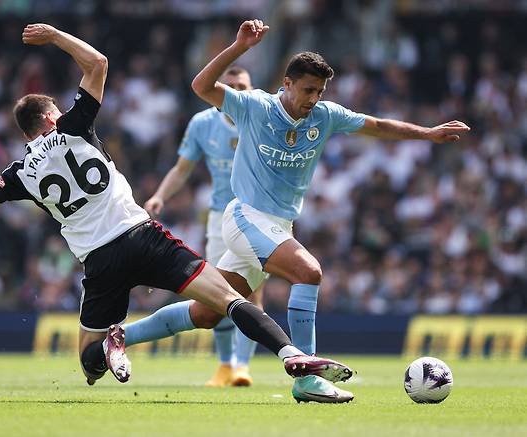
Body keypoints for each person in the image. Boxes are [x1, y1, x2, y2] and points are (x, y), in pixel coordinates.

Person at [0, 23, 353, 395]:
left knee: (88, 365)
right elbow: (97, 62)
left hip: (99, 261)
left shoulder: (20, 172)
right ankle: (291, 354)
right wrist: (54, 36)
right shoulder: (75, 125)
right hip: (145, 235)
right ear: (50, 117)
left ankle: (112, 340)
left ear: (26, 134)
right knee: (230, 300)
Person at [122, 19, 470, 403]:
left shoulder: (325, 115)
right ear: (286, 84)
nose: (313, 99)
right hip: (244, 216)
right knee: (308, 271)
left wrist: (427, 132)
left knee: (208, 313)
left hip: (277, 224)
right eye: (307, 90)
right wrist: (239, 47)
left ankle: (117, 336)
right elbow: (201, 87)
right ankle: (306, 377)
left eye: (319, 91)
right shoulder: (255, 106)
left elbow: (376, 125)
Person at [142, 66, 262, 387]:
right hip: (220, 218)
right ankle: (224, 365)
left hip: (259, 216)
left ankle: (242, 366)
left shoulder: (261, 117)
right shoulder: (202, 124)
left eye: (243, 86)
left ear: (252, 90)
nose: (237, 92)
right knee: (215, 292)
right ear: (220, 92)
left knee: (252, 291)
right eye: (231, 86)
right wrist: (159, 196)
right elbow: (182, 169)